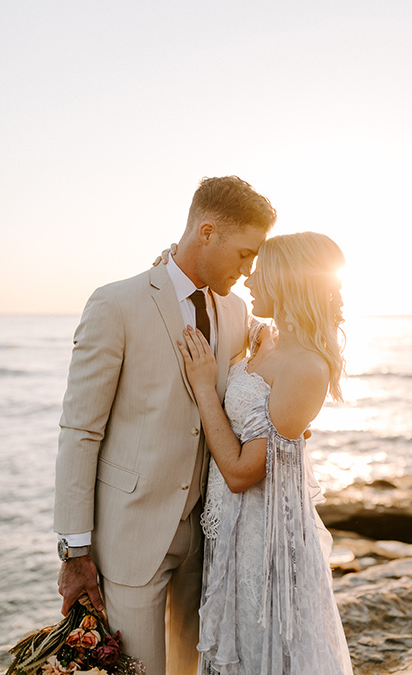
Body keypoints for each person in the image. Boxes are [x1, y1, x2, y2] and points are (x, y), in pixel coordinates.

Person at [53, 176, 277, 675]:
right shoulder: (116, 304)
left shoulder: (238, 311)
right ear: (207, 232)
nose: (249, 270)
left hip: (207, 540)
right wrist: (74, 551)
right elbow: (79, 431)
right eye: (244, 254)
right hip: (132, 539)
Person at [178, 231, 353, 675]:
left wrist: (203, 388)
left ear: (285, 281)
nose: (248, 281)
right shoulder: (269, 343)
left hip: (264, 541)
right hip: (232, 531)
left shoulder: (306, 368)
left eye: (260, 272)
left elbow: (240, 472)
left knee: (260, 654)